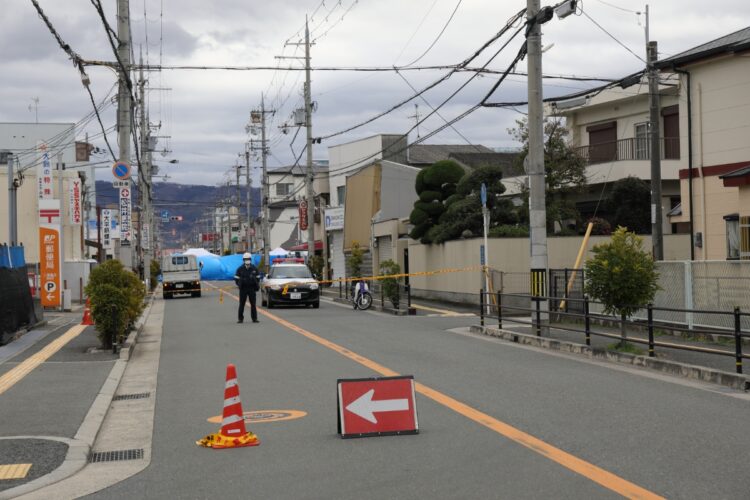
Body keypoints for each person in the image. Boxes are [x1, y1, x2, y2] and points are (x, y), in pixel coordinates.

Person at [234, 252, 260, 324]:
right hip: (243, 289)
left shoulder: (254, 268)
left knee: (253, 304)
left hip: (252, 289)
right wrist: (239, 285)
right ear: (243, 260)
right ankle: (240, 319)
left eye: (248, 259)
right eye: (246, 259)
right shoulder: (240, 269)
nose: (247, 260)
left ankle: (254, 318)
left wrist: (255, 285)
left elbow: (258, 278)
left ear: (250, 259)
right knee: (242, 304)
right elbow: (236, 278)